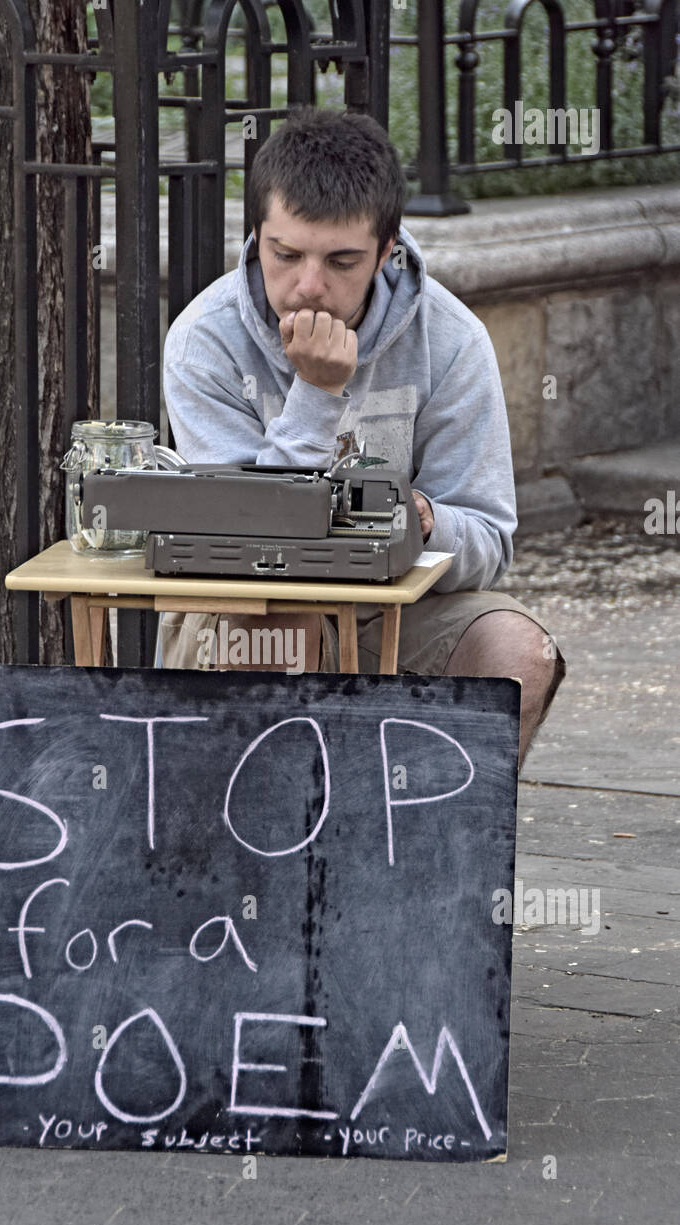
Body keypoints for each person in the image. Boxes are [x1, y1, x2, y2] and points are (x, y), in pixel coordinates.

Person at [159, 106, 565, 765]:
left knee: (518, 651)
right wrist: (318, 393)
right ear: (256, 235)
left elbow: (490, 541)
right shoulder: (204, 341)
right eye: (283, 254)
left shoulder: (451, 340)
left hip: (393, 605)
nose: (308, 286)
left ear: (386, 251)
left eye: (342, 261)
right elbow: (249, 541)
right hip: (245, 606)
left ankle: (431, 854)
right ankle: (279, 845)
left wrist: (427, 522)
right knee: (285, 628)